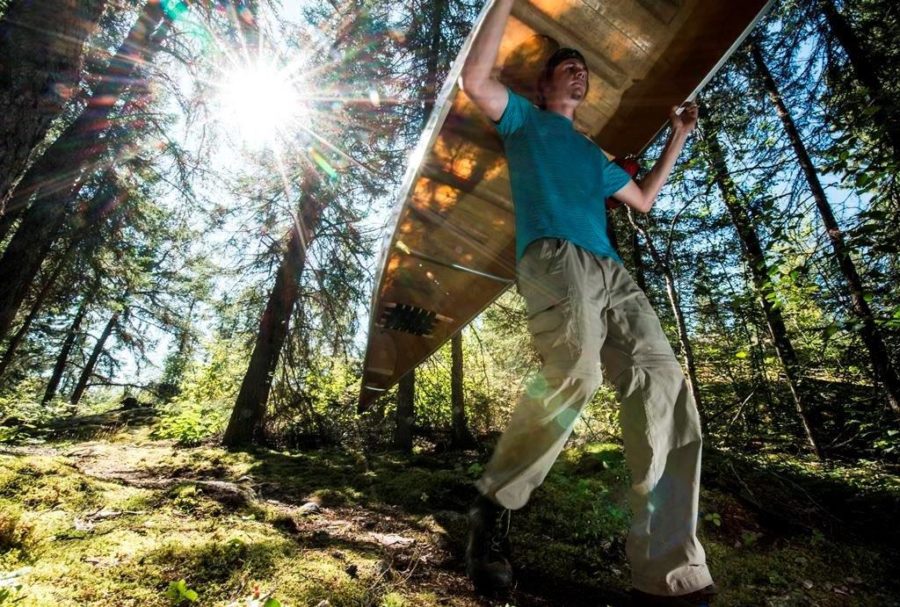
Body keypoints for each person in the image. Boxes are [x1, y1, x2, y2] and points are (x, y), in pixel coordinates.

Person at [458, 0, 715, 605]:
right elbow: (475, 81)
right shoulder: (522, 119)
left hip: (612, 272)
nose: (578, 71)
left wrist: (678, 136)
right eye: (566, 66)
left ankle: (670, 576)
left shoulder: (593, 153)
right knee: (577, 370)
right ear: (545, 84)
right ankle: (493, 506)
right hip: (555, 257)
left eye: (582, 69)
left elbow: (645, 200)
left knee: (664, 384)